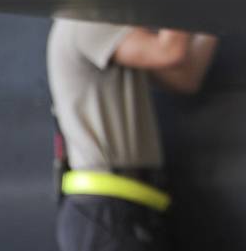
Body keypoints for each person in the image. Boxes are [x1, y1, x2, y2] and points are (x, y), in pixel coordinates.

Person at [47, 19, 219, 251]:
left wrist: (218, 13)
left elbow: (186, 76)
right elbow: (170, 52)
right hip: (105, 210)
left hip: (127, 206)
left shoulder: (113, 33)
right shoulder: (87, 22)